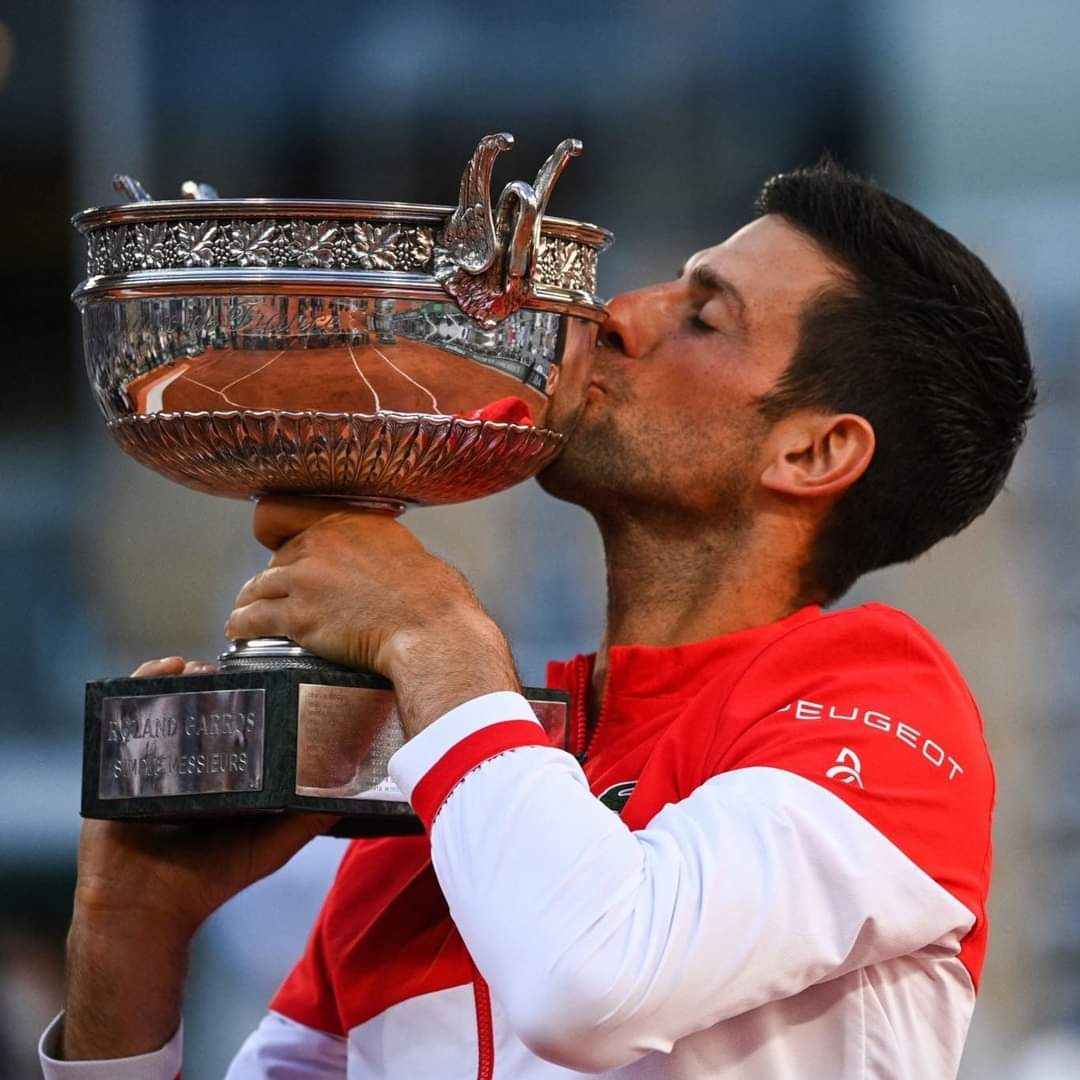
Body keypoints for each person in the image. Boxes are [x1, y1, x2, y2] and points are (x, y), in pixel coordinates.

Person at [40, 161, 1035, 1078]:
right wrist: (127, 935)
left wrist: (428, 625)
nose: (617, 314)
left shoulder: (877, 705)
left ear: (814, 453)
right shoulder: (463, 783)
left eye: (703, 318)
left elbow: (590, 985)